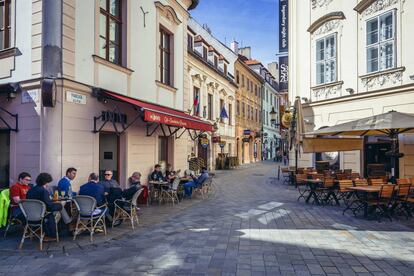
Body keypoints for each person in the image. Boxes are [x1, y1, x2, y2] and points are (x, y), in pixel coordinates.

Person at [26, 173, 70, 241]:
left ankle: (68, 223)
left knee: (59, 207)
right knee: (60, 207)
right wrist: (60, 205)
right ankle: (67, 225)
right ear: (45, 182)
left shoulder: (30, 190)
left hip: (30, 215)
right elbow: (49, 207)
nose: (48, 184)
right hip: (42, 214)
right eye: (48, 182)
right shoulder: (43, 191)